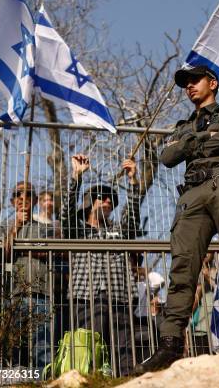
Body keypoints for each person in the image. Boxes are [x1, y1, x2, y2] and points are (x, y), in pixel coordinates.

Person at [135, 65, 219, 374]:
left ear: (212, 83)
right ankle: (169, 344)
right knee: (182, 269)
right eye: (185, 83)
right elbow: (167, 158)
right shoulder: (183, 124)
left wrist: (191, 140)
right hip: (192, 193)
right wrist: (204, 135)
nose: (189, 86)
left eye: (195, 80)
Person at [61, 154, 141, 376]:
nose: (107, 201)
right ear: (89, 202)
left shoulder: (119, 231)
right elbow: (66, 213)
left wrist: (133, 181)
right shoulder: (77, 231)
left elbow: (133, 215)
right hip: (85, 296)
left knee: (124, 350)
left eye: (111, 200)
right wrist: (76, 177)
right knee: (87, 350)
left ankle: (126, 382)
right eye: (101, 197)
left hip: (120, 295)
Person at [6, 182, 57, 370]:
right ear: (12, 202)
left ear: (35, 200)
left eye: (27, 194)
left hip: (42, 293)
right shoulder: (4, 226)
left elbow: (51, 251)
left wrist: (21, 248)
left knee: (43, 347)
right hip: (14, 293)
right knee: (15, 345)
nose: (22, 198)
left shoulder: (46, 228)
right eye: (18, 194)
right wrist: (17, 226)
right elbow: (3, 252)